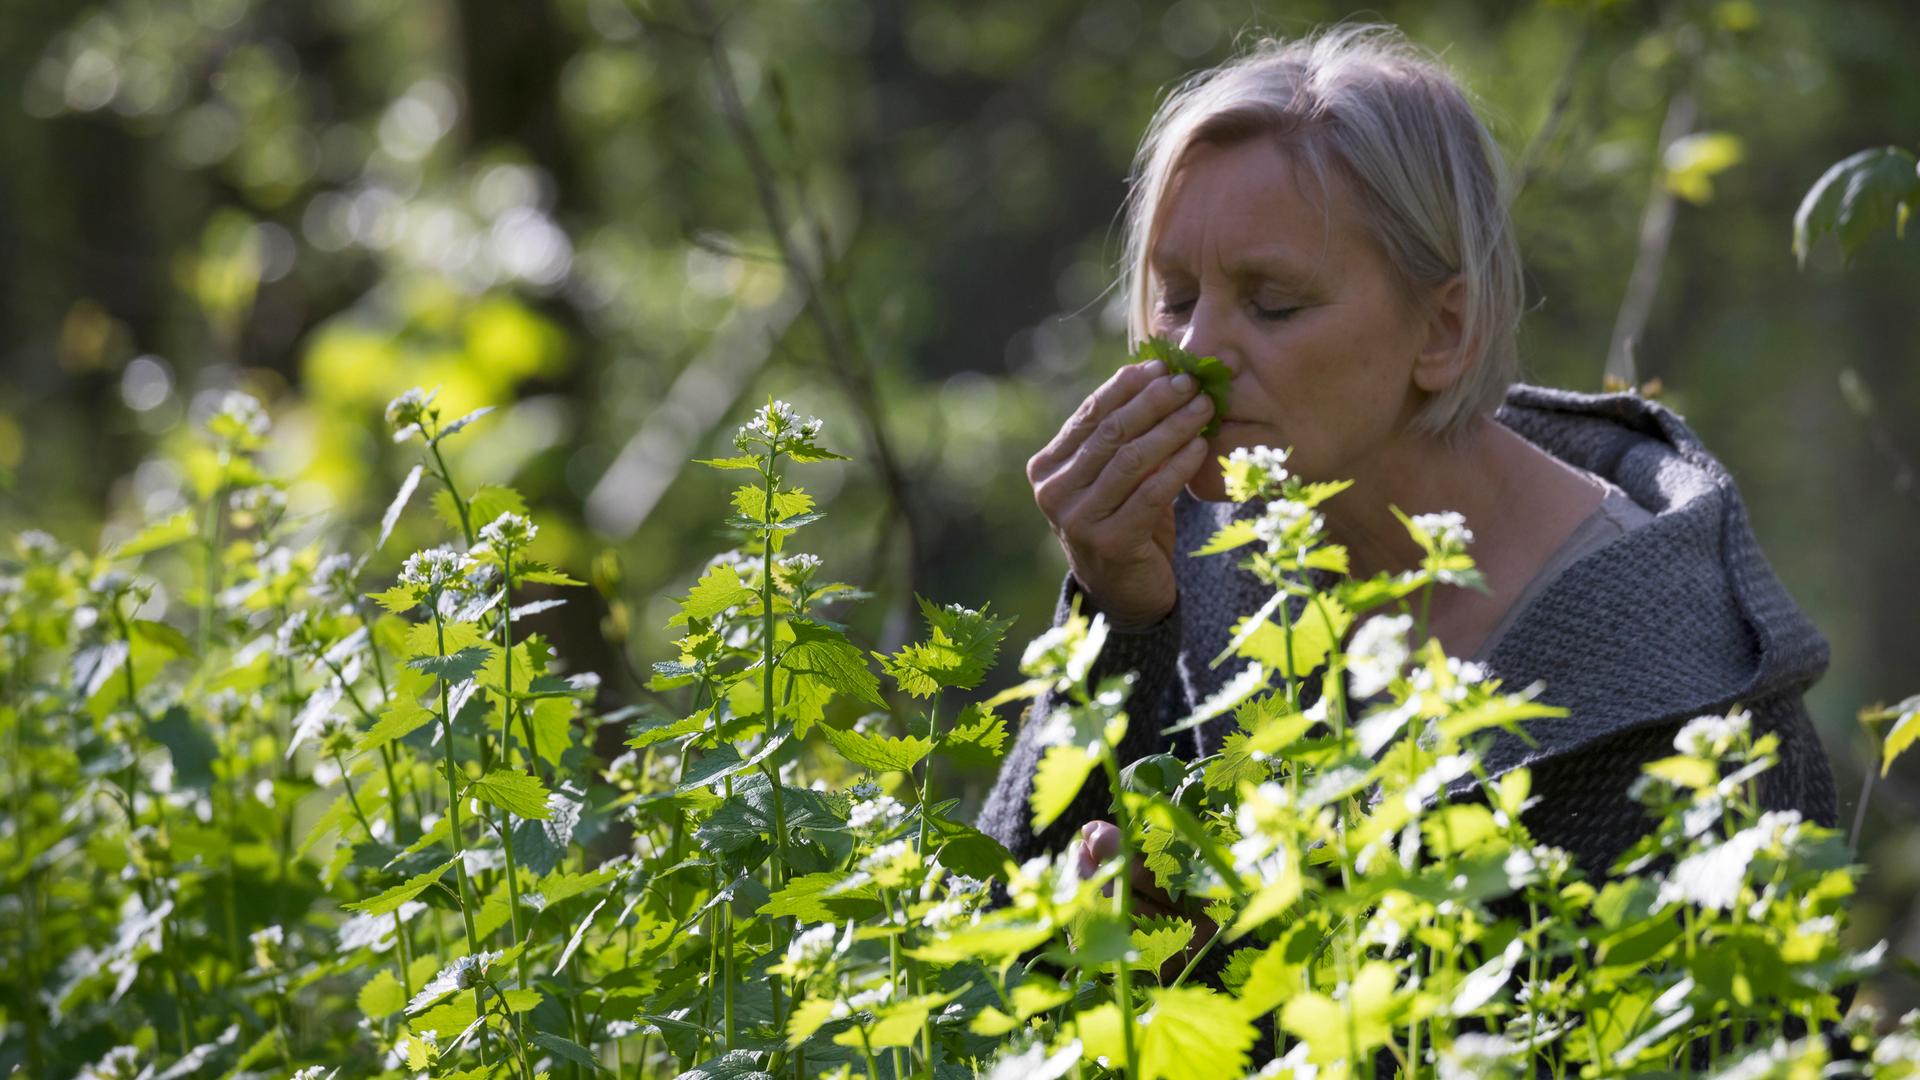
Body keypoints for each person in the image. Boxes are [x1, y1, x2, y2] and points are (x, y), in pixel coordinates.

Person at [976, 25, 1839, 910]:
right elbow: (1001, 965)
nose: (1196, 352)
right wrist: (1116, 615)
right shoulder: (1183, 555)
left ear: (1444, 333)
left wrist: (1219, 961)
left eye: (1273, 304)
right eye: (1178, 299)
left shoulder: (1683, 680)